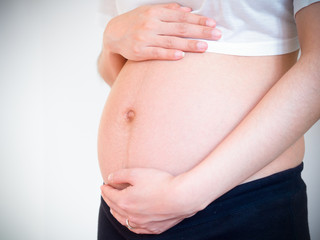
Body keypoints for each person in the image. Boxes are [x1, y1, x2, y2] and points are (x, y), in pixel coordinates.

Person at [97, 1, 320, 239]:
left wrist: (188, 194)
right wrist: (110, 39)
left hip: (234, 201)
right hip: (124, 210)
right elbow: (116, 73)